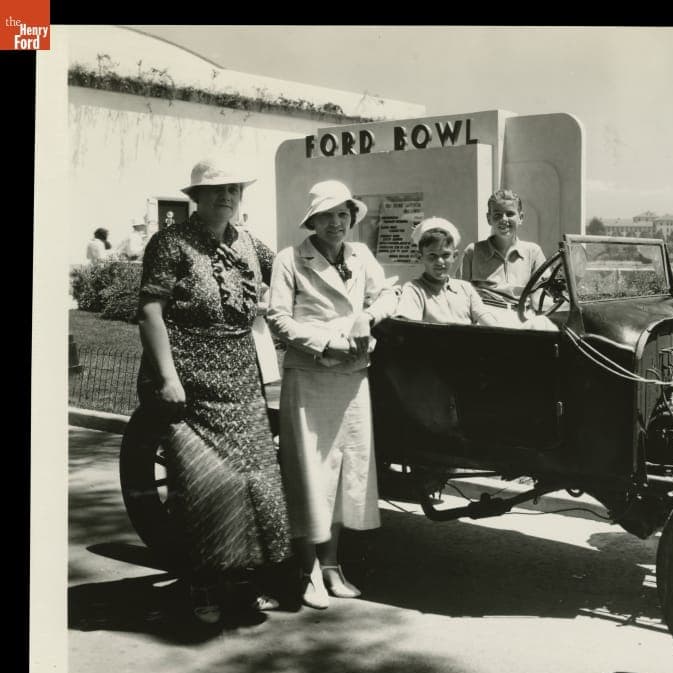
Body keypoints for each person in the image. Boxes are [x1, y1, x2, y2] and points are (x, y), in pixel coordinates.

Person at [136, 157, 293, 627]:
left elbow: (291, 273)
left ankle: (242, 582)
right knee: (204, 486)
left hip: (240, 378)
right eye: (215, 190)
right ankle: (200, 583)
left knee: (254, 482)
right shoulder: (170, 243)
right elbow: (149, 311)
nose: (226, 197)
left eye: (233, 190)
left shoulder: (248, 242)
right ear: (196, 198)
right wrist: (166, 378)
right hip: (186, 383)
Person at [266, 180, 397, 610]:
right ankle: (306, 572)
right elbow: (278, 318)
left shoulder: (361, 256)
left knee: (344, 472)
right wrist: (324, 343)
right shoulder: (290, 259)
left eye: (344, 214)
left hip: (353, 377)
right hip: (310, 375)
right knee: (310, 473)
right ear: (313, 220)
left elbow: (388, 294)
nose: (337, 222)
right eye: (328, 215)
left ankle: (332, 566)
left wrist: (366, 318)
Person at [460, 189, 546, 325]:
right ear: (489, 218)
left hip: (522, 318)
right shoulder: (473, 251)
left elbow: (540, 299)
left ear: (521, 218)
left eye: (510, 214)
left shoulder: (533, 252)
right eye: (497, 214)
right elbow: (461, 297)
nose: (504, 219)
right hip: (485, 318)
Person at [397, 218, 501, 325]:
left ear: (454, 256)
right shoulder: (414, 290)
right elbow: (409, 330)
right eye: (432, 255)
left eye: (445, 255)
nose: (439, 261)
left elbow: (489, 323)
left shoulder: (466, 289)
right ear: (420, 257)